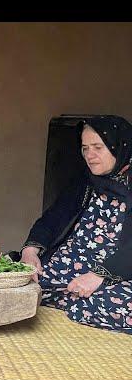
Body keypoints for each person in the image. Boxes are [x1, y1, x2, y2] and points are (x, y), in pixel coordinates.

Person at [21, 115, 132, 334]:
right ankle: (75, 301)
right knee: (20, 284)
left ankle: (76, 302)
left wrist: (99, 276)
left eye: (98, 147)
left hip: (119, 273)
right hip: (71, 267)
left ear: (119, 146)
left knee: (122, 303)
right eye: (85, 148)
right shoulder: (87, 181)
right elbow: (54, 218)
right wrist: (30, 252)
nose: (90, 156)